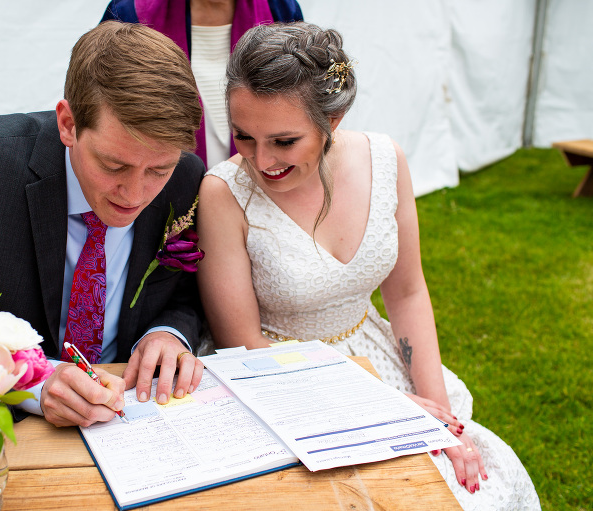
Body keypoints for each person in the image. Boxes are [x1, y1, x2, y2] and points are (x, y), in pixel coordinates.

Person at [196, 22, 541, 510]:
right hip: (276, 381)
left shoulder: (386, 159)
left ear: (333, 120)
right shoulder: (223, 193)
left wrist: (438, 416)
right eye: (244, 137)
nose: (260, 160)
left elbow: (407, 293)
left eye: (284, 141)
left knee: (475, 483)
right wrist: (377, 406)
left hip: (374, 357)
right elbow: (242, 344)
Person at [0, 21, 205, 428]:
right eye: (114, 165)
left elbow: (184, 295)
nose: (134, 194)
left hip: (135, 423)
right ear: (68, 124)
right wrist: (34, 384)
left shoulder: (186, 179)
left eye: (159, 169)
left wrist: (168, 333)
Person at [101, 0, 303, 169]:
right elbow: (101, 106)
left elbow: (302, 104)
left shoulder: (280, 9)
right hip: (161, 190)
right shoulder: (131, 13)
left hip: (264, 179)